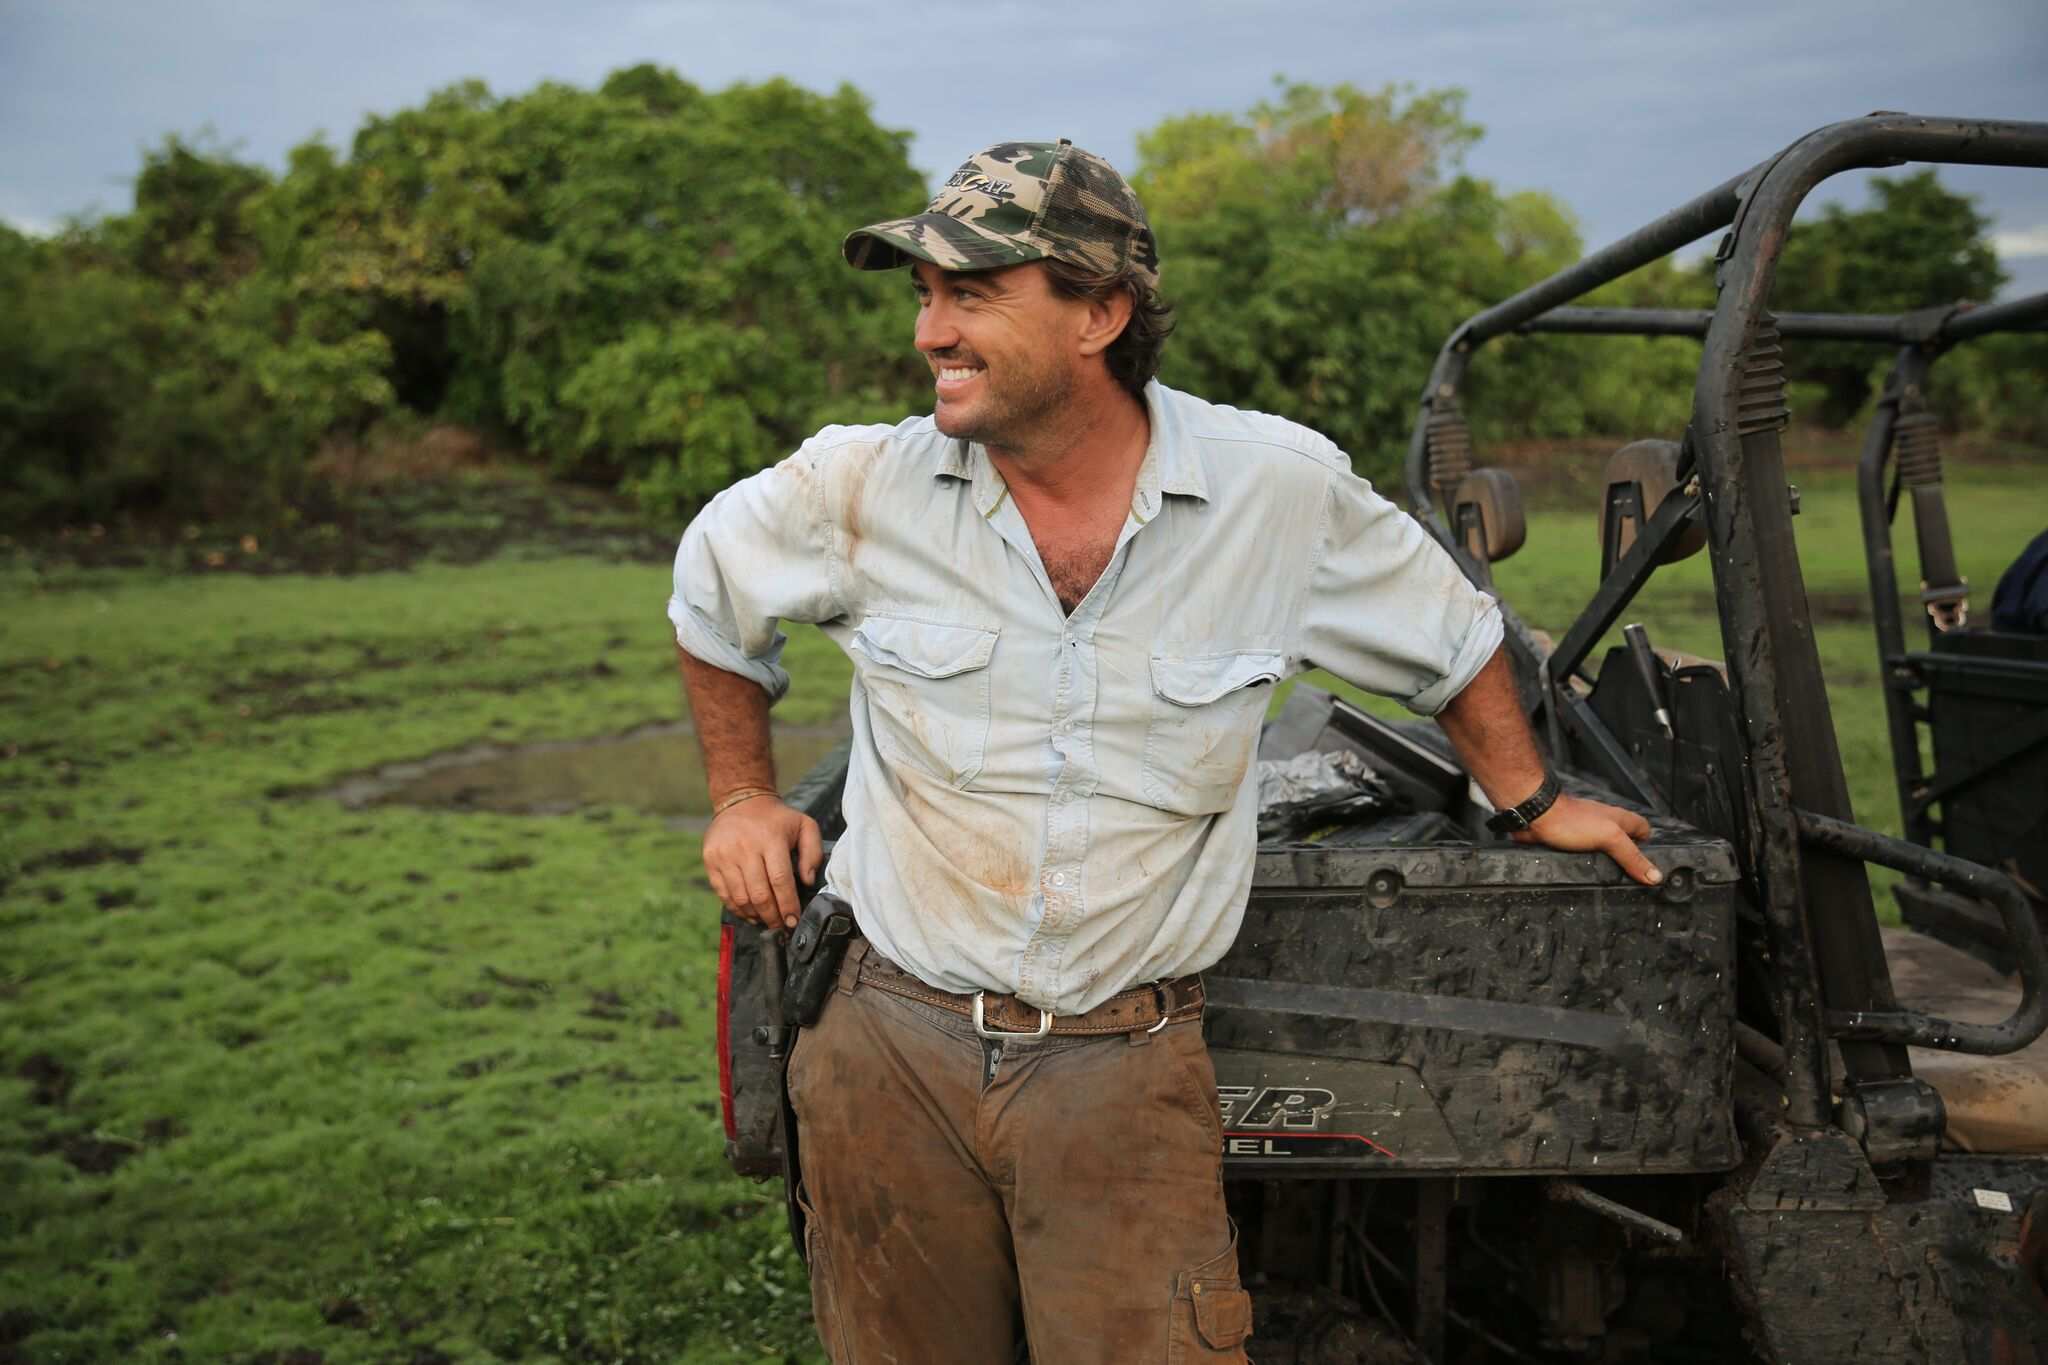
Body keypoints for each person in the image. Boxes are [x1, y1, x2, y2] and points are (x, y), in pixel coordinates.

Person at [668, 139, 1658, 1363]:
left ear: (1100, 313)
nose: (929, 332)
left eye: (971, 294)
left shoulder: (1274, 494)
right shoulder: (856, 485)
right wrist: (743, 796)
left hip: (1121, 1069)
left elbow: (1454, 638)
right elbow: (711, 599)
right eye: (922, 295)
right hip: (887, 1050)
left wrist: (1527, 798)